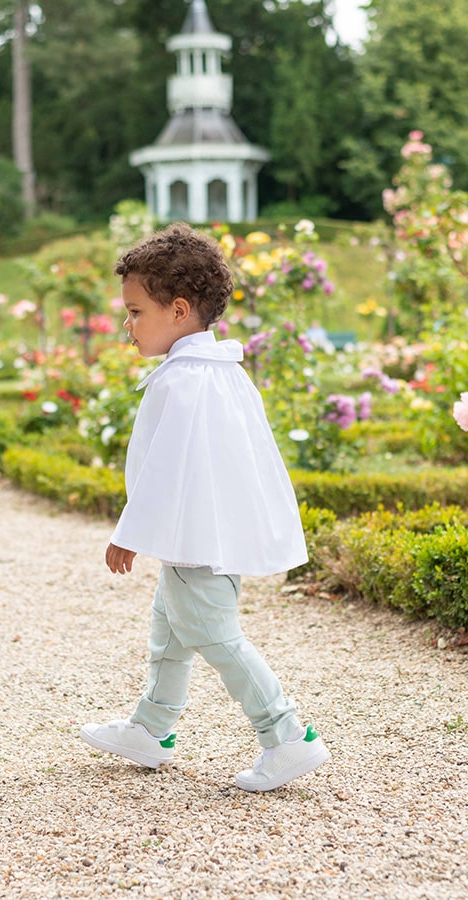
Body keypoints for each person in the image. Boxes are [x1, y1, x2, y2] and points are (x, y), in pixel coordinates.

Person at [80, 223, 330, 791]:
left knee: (215, 636)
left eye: (136, 311)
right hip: (208, 537)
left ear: (179, 310)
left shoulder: (184, 381)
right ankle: (152, 728)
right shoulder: (221, 372)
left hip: (197, 543)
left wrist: (130, 531)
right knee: (170, 628)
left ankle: (286, 734)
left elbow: (166, 468)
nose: (128, 325)